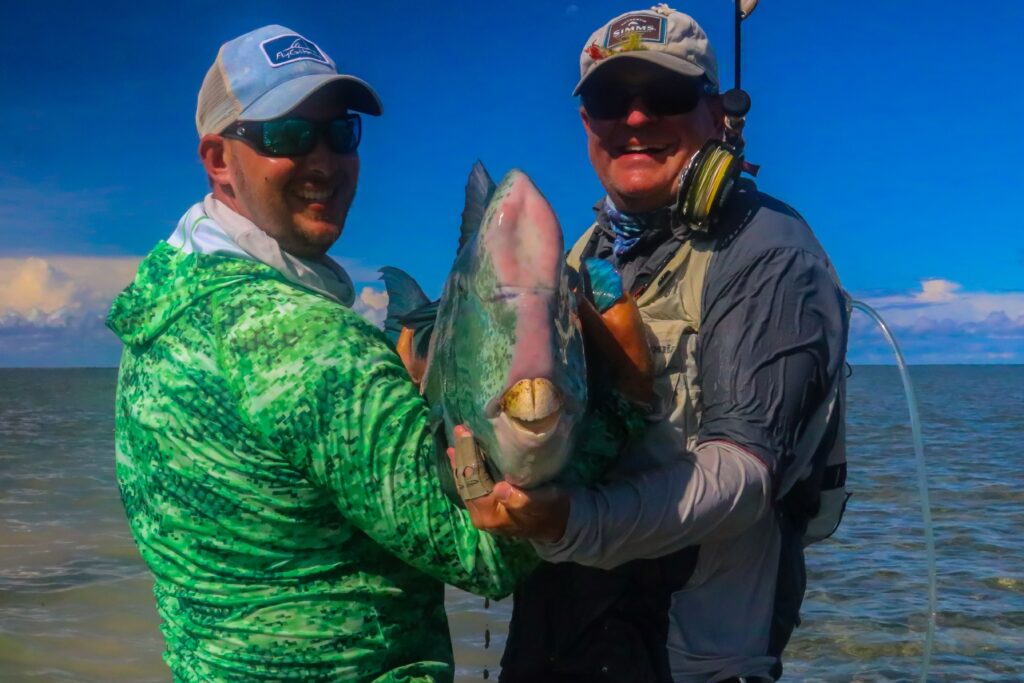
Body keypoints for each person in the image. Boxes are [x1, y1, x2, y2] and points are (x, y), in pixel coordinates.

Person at [106, 25, 534, 683]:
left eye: (341, 132)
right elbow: (489, 552)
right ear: (219, 160)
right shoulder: (310, 343)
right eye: (286, 135)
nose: (325, 161)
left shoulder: (159, 316)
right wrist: (600, 388)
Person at [459, 5, 850, 682]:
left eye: (665, 95)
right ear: (587, 123)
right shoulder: (575, 261)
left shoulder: (767, 251)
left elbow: (745, 475)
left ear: (716, 113)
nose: (635, 120)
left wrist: (569, 522)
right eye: (611, 98)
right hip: (556, 639)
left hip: (683, 655)